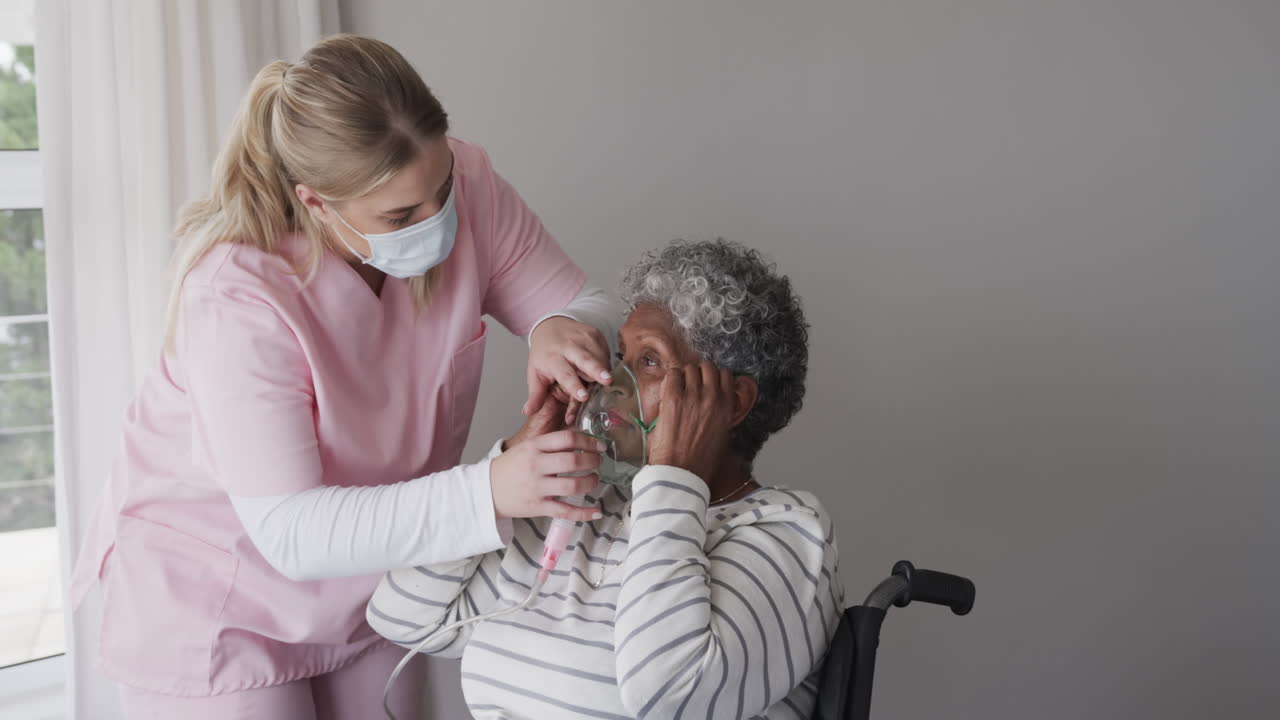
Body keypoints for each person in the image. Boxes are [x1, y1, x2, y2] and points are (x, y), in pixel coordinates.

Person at [67, 35, 621, 719]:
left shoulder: (458, 180)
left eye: (442, 188)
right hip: (220, 597)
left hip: (375, 584)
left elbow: (583, 301)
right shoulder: (238, 293)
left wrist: (557, 328)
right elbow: (292, 530)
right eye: (401, 216)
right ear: (317, 202)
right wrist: (492, 490)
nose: (441, 219)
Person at [370, 239, 845, 719]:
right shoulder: (580, 505)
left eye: (650, 361)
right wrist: (507, 470)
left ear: (733, 402)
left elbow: (670, 697)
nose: (613, 381)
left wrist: (674, 481)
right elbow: (403, 617)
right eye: (621, 356)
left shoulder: (787, 536)